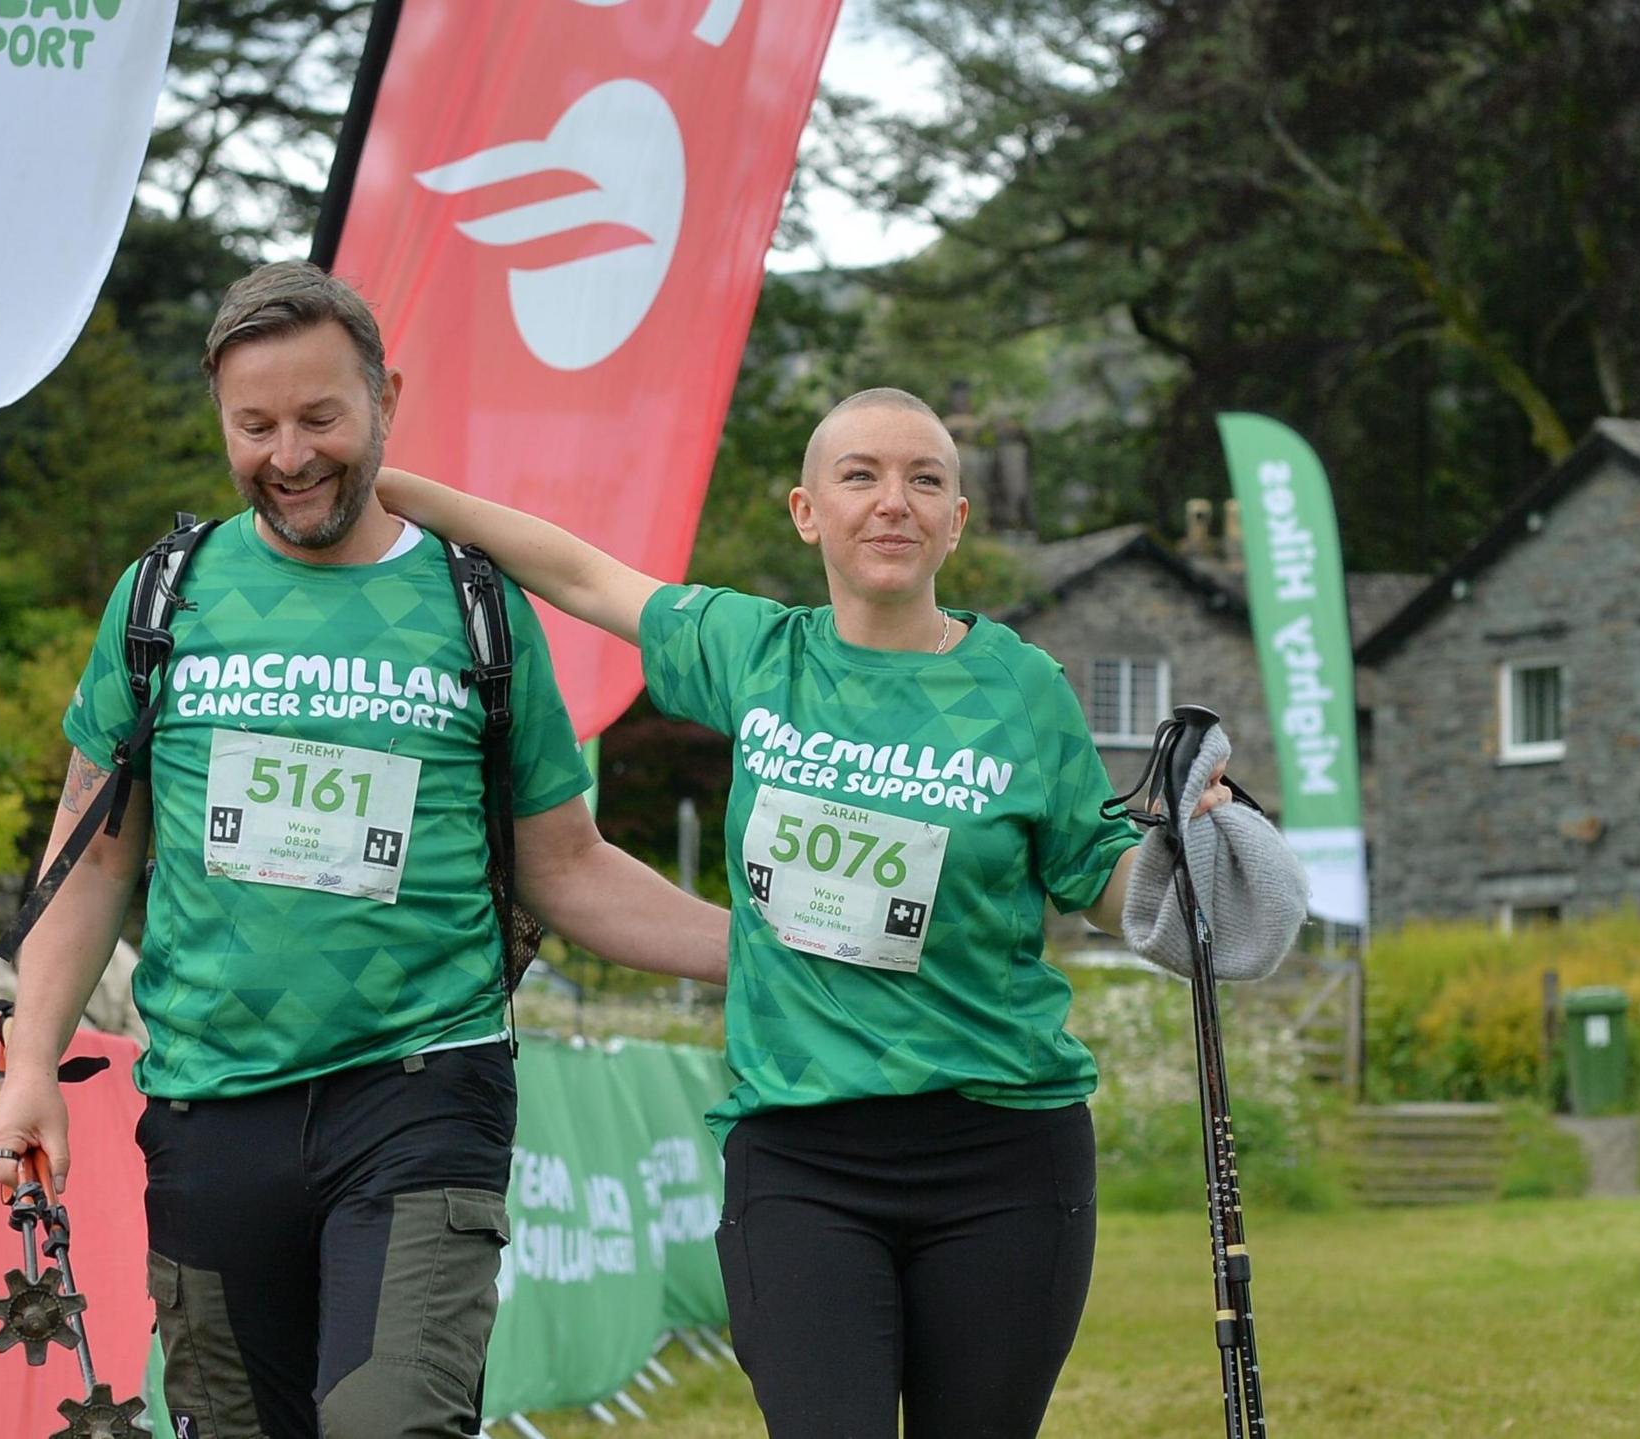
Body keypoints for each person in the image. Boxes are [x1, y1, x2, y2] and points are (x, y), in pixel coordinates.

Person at [375, 387, 1285, 1436]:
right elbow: (583, 573)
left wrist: (1194, 850)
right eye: (859, 476)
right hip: (798, 1155)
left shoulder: (1021, 685)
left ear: (956, 521)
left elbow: (1099, 879)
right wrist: (389, 488)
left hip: (1004, 1153)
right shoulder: (759, 653)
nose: (891, 501)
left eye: (924, 479)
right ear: (807, 510)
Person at [0, 260, 730, 1439]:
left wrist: (765, 953)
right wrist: (32, 1063)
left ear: (386, 395)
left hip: (422, 1089)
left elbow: (568, 865)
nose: (289, 455)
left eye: (321, 416)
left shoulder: (476, 605)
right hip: (210, 1104)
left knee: (390, 1423)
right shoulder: (163, 599)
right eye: (255, 424)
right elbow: (93, 860)